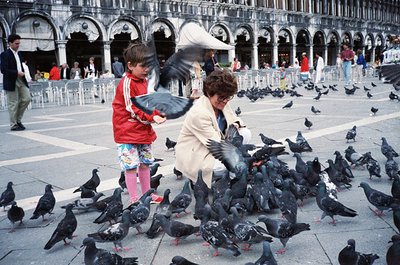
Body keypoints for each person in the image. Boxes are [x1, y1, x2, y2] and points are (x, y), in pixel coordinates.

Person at [175, 69, 251, 188]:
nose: (225, 101)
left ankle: (228, 174)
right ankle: (197, 179)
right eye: (222, 97)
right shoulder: (199, 113)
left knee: (245, 133)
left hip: (213, 145)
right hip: (196, 152)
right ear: (210, 93)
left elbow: (234, 118)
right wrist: (242, 160)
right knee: (225, 165)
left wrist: (236, 125)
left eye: (228, 97)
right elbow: (218, 145)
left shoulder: (221, 102)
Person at [112, 42, 166, 204]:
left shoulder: (143, 81)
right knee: (130, 166)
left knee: (145, 164)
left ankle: (147, 195)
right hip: (127, 131)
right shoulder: (127, 82)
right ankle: (134, 199)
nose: (147, 70)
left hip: (142, 130)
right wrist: (151, 118)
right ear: (130, 65)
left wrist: (159, 113)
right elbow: (132, 108)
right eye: (143, 66)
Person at [0, 34, 31, 131]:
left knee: (27, 98)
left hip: (21, 79)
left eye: (19, 43)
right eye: (16, 43)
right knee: (13, 103)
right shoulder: (5, 54)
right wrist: (16, 72)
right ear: (10, 43)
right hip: (11, 80)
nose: (18, 45)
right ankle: (13, 124)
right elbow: (3, 70)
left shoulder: (19, 54)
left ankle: (18, 120)